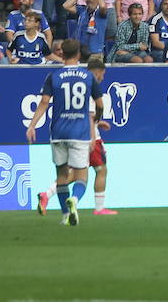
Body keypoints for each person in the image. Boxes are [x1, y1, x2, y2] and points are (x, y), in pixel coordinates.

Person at [26, 38, 104, 226]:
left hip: (59, 132)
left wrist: (32, 125)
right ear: (78, 55)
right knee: (81, 176)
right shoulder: (88, 77)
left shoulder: (53, 76)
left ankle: (64, 216)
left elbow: (44, 103)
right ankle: (75, 201)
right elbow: (99, 105)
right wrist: (97, 120)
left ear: (62, 54)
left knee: (61, 175)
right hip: (80, 132)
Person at [85, 57, 118, 215]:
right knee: (101, 170)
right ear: (97, 72)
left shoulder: (80, 84)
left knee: (72, 174)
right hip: (92, 138)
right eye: (102, 74)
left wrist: (99, 123)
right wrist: (93, 134)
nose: (103, 77)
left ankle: (47, 194)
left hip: (77, 136)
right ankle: (99, 208)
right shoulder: (92, 87)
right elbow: (90, 116)